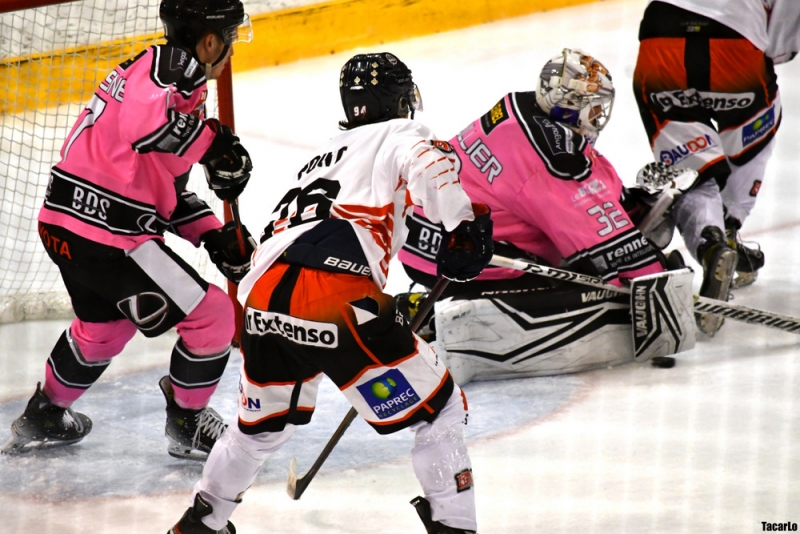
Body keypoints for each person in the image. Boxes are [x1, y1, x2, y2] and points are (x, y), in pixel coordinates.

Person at [167, 52, 492, 534]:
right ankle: (455, 526)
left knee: (257, 430)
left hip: (260, 301)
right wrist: (464, 225)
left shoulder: (323, 156)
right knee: (440, 411)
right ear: (399, 98)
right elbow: (431, 162)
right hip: (332, 294)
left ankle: (200, 524)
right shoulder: (401, 134)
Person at [1, 0, 256, 460]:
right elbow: (145, 130)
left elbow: (159, 188)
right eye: (232, 39)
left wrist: (211, 234)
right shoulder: (175, 67)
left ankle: (45, 413)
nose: (232, 51)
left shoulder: (153, 82)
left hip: (65, 226)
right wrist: (212, 145)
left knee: (103, 328)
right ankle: (188, 422)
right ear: (211, 41)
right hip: (109, 236)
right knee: (214, 317)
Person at [398, 48, 696, 383]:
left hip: (422, 237)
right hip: (455, 253)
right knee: (588, 288)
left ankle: (429, 304)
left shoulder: (520, 111)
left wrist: (622, 204)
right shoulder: (553, 159)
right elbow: (603, 246)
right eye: (593, 107)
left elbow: (578, 189)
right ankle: (440, 320)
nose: (598, 116)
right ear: (570, 106)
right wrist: (658, 283)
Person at [632, 0, 800, 328]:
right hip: (733, 51)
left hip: (660, 43)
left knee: (692, 169)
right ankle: (730, 225)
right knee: (755, 135)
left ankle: (711, 244)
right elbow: (780, 43)